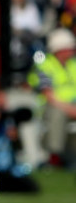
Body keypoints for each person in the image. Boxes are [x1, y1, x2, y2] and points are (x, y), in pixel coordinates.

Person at [28, 28, 76, 169]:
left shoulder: (73, 64)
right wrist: (70, 109)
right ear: (59, 50)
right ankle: (55, 157)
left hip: (72, 107)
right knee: (58, 114)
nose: (72, 51)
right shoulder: (45, 65)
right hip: (51, 108)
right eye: (69, 48)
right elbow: (48, 95)